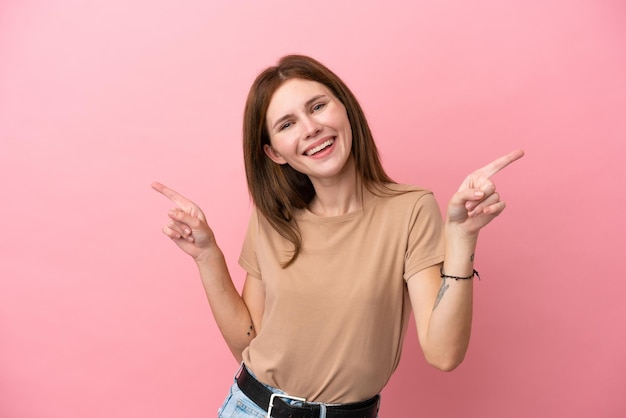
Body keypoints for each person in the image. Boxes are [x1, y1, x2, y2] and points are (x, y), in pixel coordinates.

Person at [152, 54, 524, 418]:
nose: (310, 128)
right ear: (274, 153)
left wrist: (461, 237)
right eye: (286, 125)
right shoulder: (273, 219)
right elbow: (250, 343)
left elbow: (444, 354)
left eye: (317, 107)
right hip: (252, 409)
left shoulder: (410, 210)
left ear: (344, 108)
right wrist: (206, 256)